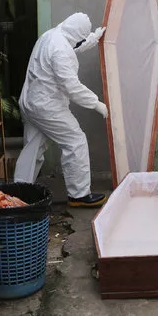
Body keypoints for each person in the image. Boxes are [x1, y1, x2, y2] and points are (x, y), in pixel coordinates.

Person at [15, 13, 109, 208]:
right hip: (46, 106)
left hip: (30, 101)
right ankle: (79, 195)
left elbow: (73, 47)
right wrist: (96, 103)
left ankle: (19, 193)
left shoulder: (52, 35)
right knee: (75, 141)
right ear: (77, 33)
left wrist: (92, 38)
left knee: (33, 147)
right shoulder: (60, 50)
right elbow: (72, 87)